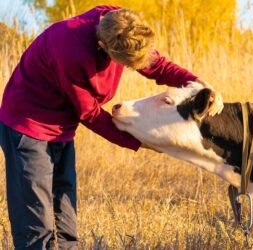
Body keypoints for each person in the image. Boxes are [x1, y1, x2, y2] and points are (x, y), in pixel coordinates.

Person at [0, 5, 224, 249]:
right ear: (104, 48)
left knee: (64, 211)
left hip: (62, 127)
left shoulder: (124, 26)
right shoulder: (70, 50)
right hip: (27, 126)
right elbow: (91, 114)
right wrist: (143, 142)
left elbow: (158, 66)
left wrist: (202, 85)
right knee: (35, 221)